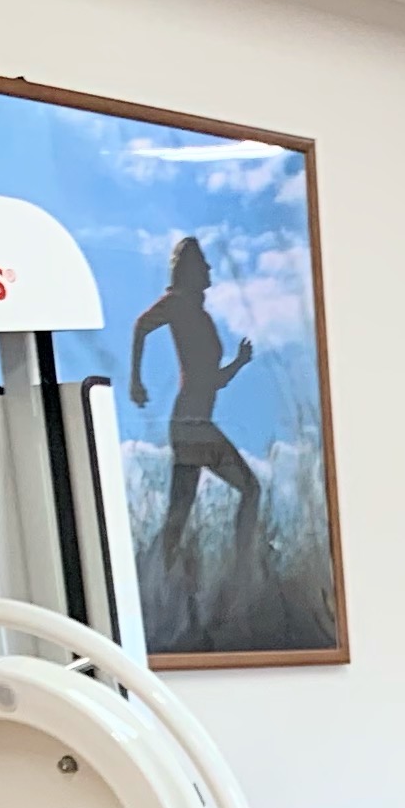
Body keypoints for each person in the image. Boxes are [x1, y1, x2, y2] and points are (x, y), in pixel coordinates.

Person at [126, 235, 260, 572]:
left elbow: (212, 380)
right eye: (203, 264)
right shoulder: (179, 303)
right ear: (190, 270)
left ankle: (156, 576)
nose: (209, 268)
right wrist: (135, 380)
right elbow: (141, 326)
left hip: (194, 423)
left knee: (178, 517)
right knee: (250, 489)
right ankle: (243, 567)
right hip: (191, 423)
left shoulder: (199, 314)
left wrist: (239, 362)